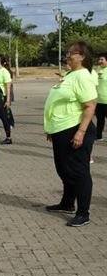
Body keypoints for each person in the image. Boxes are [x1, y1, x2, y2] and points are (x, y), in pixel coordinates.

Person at [43, 41, 97, 227]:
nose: (68, 55)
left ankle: (83, 213)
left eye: (72, 53)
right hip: (60, 129)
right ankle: (67, 203)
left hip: (75, 128)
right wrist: (51, 128)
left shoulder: (83, 76)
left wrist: (81, 132)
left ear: (82, 56)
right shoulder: (70, 75)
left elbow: (90, 105)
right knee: (64, 169)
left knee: (78, 172)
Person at [95, 51, 107, 140]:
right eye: (99, 59)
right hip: (98, 101)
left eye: (102, 59)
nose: (100, 61)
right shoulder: (98, 69)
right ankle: (98, 136)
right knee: (100, 120)